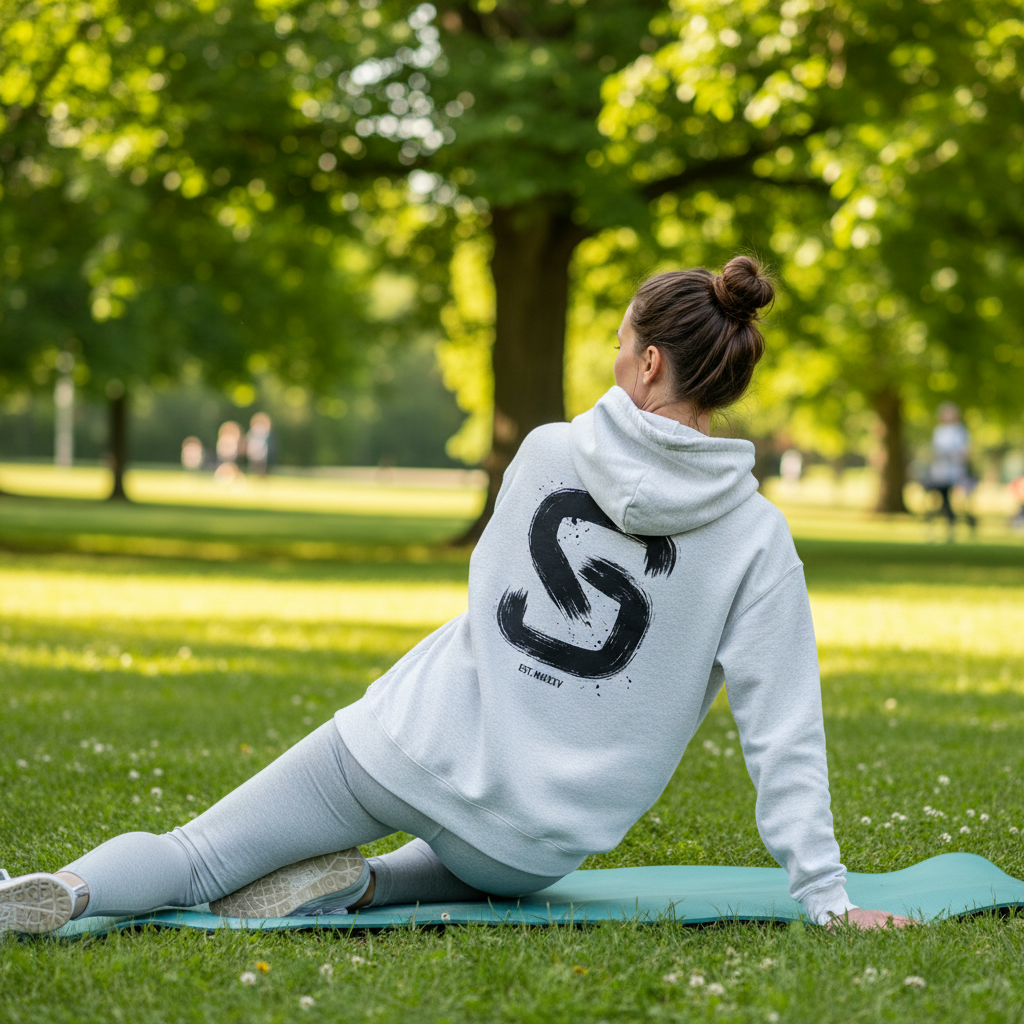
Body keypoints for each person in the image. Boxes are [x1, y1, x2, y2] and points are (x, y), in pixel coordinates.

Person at [0, 256, 909, 934]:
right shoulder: (758, 539)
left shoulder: (551, 451)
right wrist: (826, 899)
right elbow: (781, 727)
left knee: (196, 855)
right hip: (530, 841)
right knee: (468, 868)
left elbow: (491, 596)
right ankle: (360, 886)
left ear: (647, 364)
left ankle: (61, 893)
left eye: (622, 343)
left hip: (407, 745)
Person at [926, 402, 975, 538]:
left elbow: (964, 452)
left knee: (959, 501)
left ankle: (956, 524)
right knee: (940, 498)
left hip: (955, 471)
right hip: (940, 471)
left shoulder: (960, 431)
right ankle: (943, 525)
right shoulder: (939, 431)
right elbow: (934, 451)